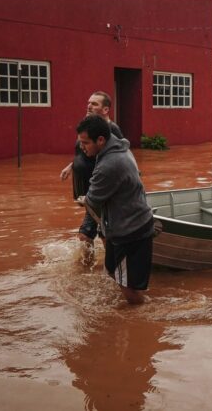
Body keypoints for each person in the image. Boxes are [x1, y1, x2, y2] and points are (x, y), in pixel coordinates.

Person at [77, 114, 154, 305]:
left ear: (101, 140)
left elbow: (93, 199)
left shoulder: (109, 164)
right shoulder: (120, 146)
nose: (82, 147)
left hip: (130, 231)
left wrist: (83, 199)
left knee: (128, 289)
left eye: (85, 143)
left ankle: (142, 317)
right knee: (112, 270)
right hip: (126, 224)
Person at [60, 91, 124, 244]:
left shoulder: (111, 130)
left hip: (99, 188)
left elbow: (121, 156)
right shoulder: (88, 126)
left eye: (94, 104)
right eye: (88, 102)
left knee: (86, 235)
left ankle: (96, 266)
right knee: (103, 228)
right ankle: (106, 263)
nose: (89, 106)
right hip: (89, 188)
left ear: (106, 110)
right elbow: (84, 152)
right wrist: (71, 166)